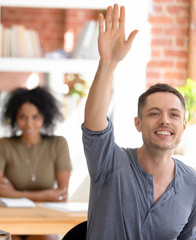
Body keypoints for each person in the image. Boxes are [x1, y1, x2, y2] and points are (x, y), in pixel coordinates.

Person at [82, 4, 196, 239]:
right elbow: (94, 124)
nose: (165, 120)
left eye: (174, 115)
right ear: (138, 123)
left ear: (183, 127)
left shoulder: (192, 184)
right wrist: (108, 63)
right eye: (154, 113)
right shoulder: (110, 162)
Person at [0, 86, 72, 203]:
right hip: (10, 215)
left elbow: (62, 194)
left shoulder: (58, 144)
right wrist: (44, 196)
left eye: (35, 117)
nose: (29, 124)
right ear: (15, 118)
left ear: (44, 117)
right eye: (23, 117)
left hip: (47, 216)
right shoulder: (3, 145)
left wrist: (12, 194)